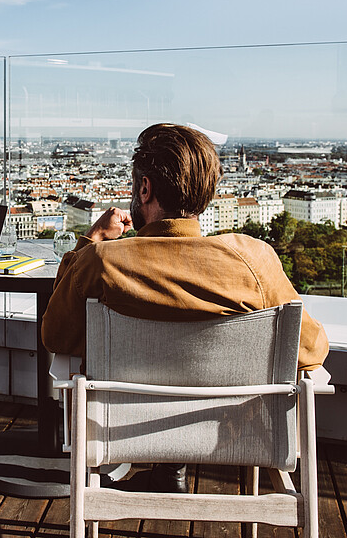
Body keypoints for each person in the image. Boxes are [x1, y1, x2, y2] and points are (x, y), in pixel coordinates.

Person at [41, 123, 329, 492]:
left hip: (120, 432)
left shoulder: (101, 263)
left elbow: (55, 335)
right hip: (228, 435)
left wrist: (92, 238)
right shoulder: (254, 261)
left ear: (144, 188)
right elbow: (311, 349)